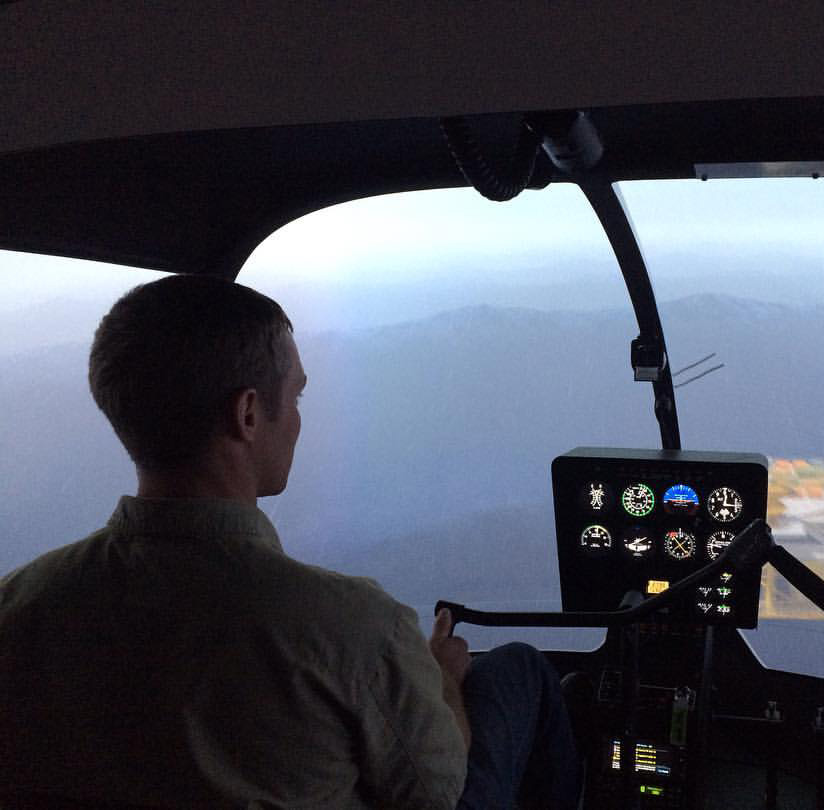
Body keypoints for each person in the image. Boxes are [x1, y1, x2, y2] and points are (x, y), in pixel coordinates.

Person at [0, 274, 582, 809]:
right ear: (248, 414)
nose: (300, 419)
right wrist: (443, 684)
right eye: (296, 396)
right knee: (518, 671)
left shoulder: (18, 606)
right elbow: (435, 790)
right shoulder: (352, 627)